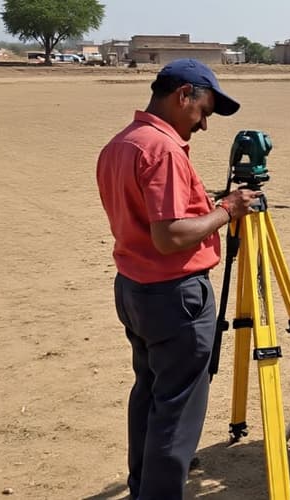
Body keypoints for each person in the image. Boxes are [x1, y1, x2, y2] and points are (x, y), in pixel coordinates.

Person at [96, 58, 260, 500]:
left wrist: (204, 205)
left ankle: (143, 487)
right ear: (183, 95)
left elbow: (148, 215)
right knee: (177, 411)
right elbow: (169, 236)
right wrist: (227, 211)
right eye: (203, 112)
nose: (203, 125)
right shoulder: (163, 150)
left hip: (134, 287)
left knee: (150, 395)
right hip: (174, 295)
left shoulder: (122, 143)